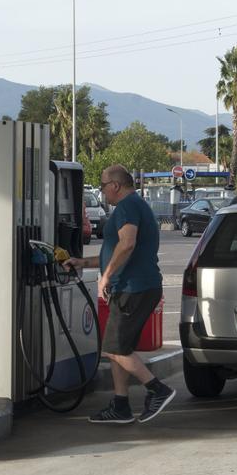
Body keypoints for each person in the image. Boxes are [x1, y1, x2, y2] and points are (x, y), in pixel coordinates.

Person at [63, 165, 174, 424]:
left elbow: (127, 243)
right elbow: (116, 252)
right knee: (120, 348)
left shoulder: (127, 207)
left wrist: (106, 276)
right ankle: (120, 405)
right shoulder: (135, 205)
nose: (101, 191)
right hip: (134, 286)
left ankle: (158, 390)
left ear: (115, 185)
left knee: (114, 348)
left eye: (102, 185)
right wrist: (82, 262)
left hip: (133, 288)